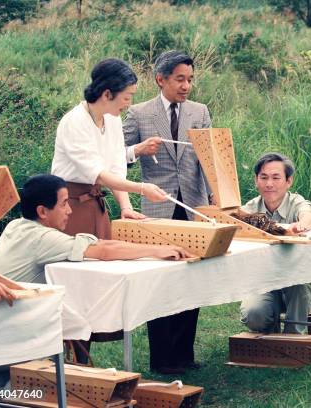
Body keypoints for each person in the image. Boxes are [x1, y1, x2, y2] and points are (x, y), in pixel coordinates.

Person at [123, 50, 212, 374]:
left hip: (194, 207)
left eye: (190, 79)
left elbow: (208, 159)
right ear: (160, 79)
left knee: (193, 281)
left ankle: (184, 355)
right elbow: (113, 156)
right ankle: (162, 358)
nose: (186, 85)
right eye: (180, 79)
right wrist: (137, 150)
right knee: (160, 282)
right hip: (157, 207)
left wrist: (214, 203)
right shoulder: (137, 113)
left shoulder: (200, 112)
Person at [0, 174, 193, 285]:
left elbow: (103, 244)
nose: (69, 210)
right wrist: (157, 251)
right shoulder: (42, 238)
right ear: (42, 211)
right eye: (64, 204)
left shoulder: (16, 226)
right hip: (8, 319)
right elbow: (104, 251)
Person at [52, 58, 168, 241]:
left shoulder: (112, 118)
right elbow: (98, 175)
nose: (129, 103)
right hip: (69, 206)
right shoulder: (74, 122)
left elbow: (115, 168)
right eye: (127, 97)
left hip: (95, 205)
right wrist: (142, 188)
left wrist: (126, 207)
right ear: (107, 95)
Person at [239, 153, 311, 334]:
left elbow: (307, 213)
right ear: (256, 180)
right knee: (254, 314)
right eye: (264, 177)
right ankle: (271, 333)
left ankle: (294, 336)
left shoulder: (295, 201)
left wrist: (302, 225)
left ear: (288, 181)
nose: (269, 184)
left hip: (297, 280)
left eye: (276, 178)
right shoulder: (249, 209)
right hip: (264, 281)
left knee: (300, 282)